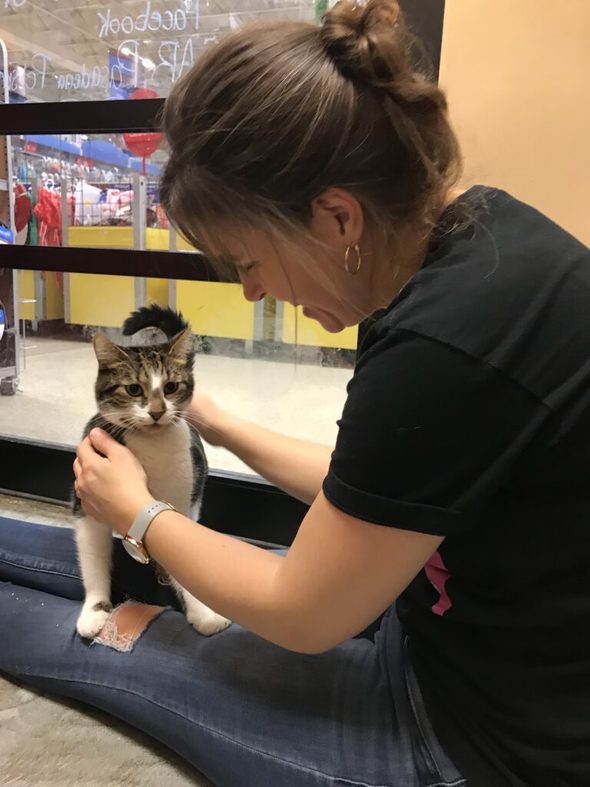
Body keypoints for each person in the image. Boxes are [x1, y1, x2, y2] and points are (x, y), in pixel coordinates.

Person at [1, 1, 589, 784]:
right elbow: (370, 488)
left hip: (471, 742)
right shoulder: (472, 247)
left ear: (336, 216)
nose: (249, 293)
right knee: (129, 564)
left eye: (247, 260)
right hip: (430, 625)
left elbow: (303, 611)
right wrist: (213, 420)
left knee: (143, 637)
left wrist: (140, 514)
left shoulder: (443, 344)